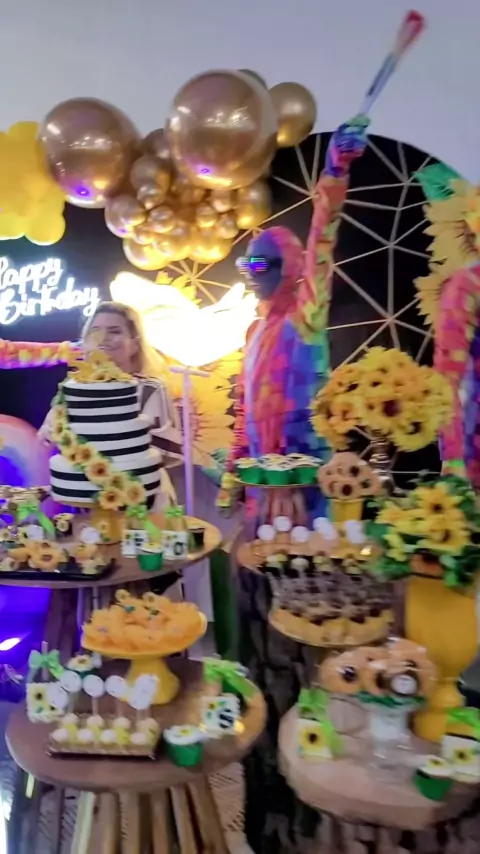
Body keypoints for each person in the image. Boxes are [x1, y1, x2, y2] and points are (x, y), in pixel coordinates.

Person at [39, 301, 183, 508]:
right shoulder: (75, 388)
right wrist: (50, 432)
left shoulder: (150, 388)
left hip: (142, 499)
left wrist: (112, 463)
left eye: (115, 331)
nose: (104, 338)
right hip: (87, 498)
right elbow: (50, 431)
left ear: (134, 344)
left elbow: (164, 452)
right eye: (96, 330)